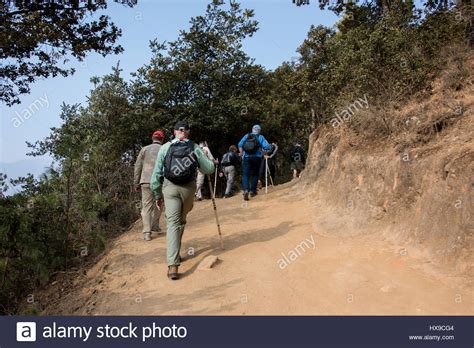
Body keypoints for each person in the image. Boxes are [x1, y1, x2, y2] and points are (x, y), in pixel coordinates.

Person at [150, 121, 215, 280]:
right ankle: (175, 255)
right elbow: (209, 169)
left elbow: (156, 177)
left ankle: (173, 265)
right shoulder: (194, 147)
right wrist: (204, 157)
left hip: (170, 188)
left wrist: (158, 196)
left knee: (173, 223)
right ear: (188, 132)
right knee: (181, 221)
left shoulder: (165, 148)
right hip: (188, 189)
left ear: (174, 132)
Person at [134, 130, 165, 241]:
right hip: (159, 181)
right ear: (162, 139)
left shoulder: (144, 149)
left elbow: (137, 167)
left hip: (145, 181)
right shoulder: (164, 149)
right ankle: (155, 226)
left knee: (146, 206)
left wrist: (136, 182)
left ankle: (147, 232)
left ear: (152, 139)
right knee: (159, 202)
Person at [238, 124, 271, 201]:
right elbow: (267, 147)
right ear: (259, 131)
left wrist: (242, 154)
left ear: (252, 129)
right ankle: (252, 191)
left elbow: (240, 144)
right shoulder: (261, 137)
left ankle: (245, 190)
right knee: (255, 174)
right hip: (257, 157)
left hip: (246, 157)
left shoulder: (247, 136)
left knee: (245, 174)